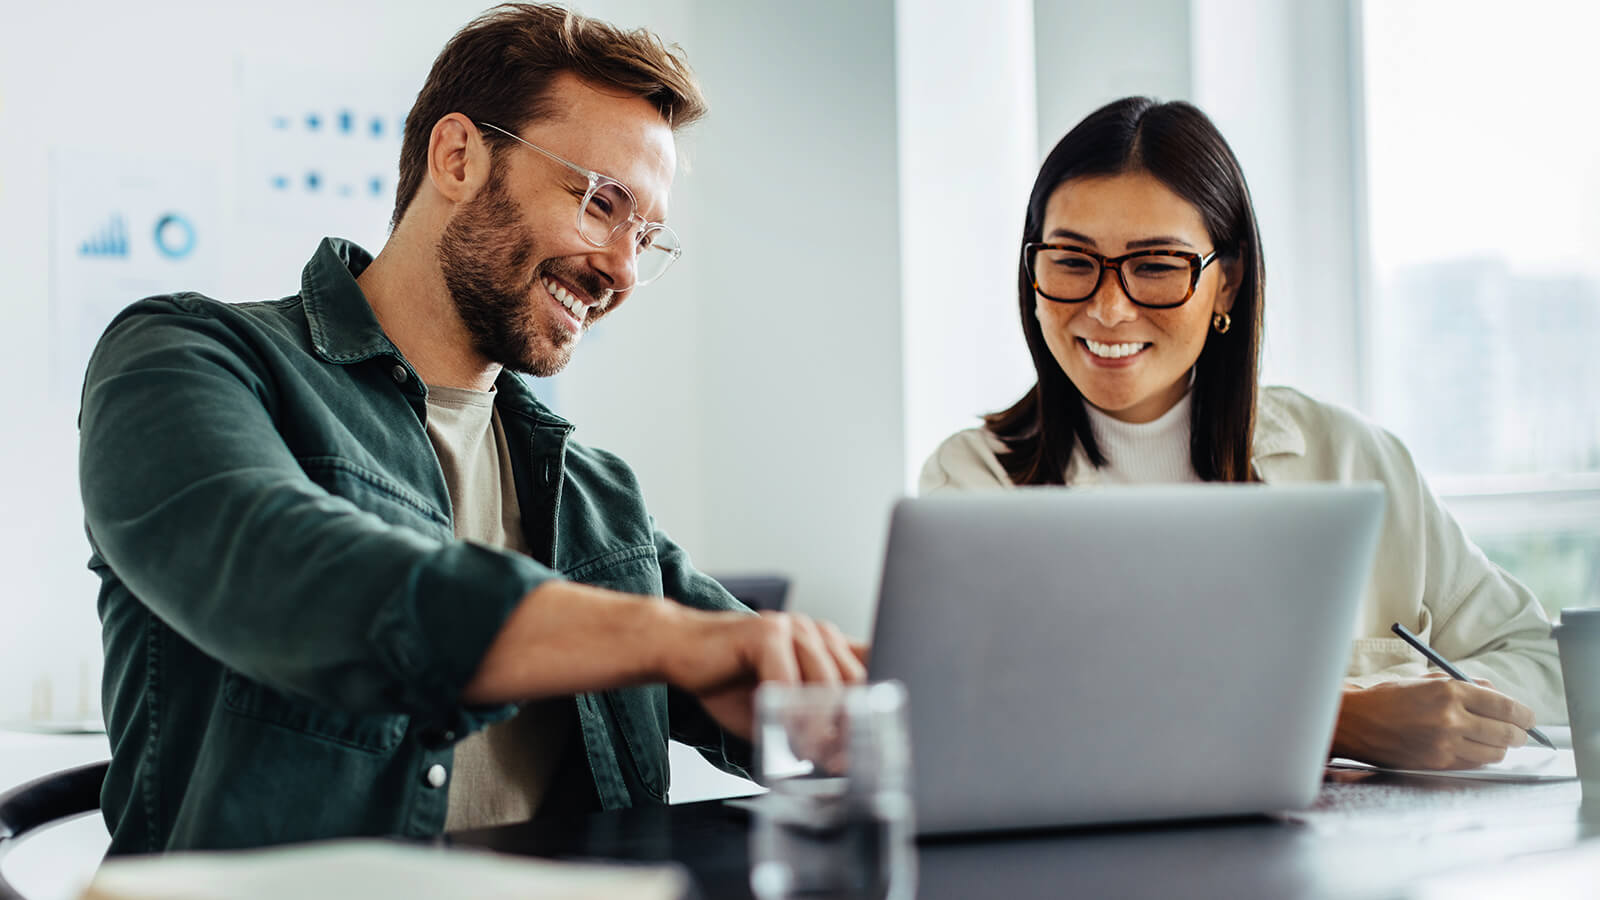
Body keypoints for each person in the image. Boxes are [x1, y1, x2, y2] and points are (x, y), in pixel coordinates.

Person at [79, 4, 863, 855]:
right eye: (602, 203)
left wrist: (852, 698)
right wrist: (670, 640)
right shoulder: (188, 355)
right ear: (458, 157)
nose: (622, 271)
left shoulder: (596, 494)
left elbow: (750, 666)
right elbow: (289, 569)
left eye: (647, 236)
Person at [919, 96, 1564, 771]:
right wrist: (1333, 719)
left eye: (1157, 267)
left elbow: (1543, 663)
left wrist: (1414, 706)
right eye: (1072, 262)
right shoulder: (971, 482)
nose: (1108, 307)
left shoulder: (1351, 458)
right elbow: (980, 718)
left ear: (1226, 284)